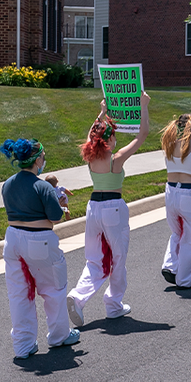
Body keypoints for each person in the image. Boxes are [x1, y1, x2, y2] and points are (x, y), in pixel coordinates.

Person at [67, 94, 151, 326]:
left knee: (94, 258)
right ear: (109, 140)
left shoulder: (90, 157)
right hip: (113, 208)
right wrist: (144, 107)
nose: (115, 140)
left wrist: (101, 112)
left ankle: (77, 296)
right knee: (118, 258)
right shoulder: (117, 159)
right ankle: (114, 304)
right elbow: (142, 134)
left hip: (93, 208)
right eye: (113, 136)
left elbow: (91, 134)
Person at [0, 138, 80, 360]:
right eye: (43, 156)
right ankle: (59, 335)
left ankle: (23, 345)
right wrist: (60, 201)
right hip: (39, 240)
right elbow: (54, 216)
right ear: (37, 159)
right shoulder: (42, 186)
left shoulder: (8, 184)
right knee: (53, 289)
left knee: (19, 293)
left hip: (13, 239)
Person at [159, 113, 191, 286]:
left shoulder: (168, 146)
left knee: (177, 232)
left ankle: (170, 265)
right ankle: (185, 280)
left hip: (171, 191)